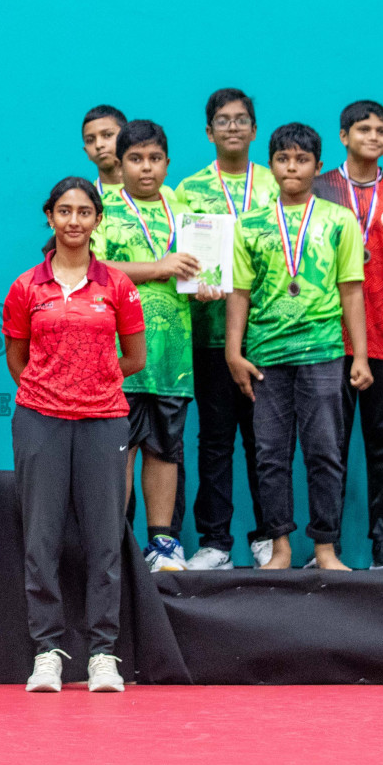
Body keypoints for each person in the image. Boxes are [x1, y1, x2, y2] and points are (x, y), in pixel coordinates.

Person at [4, 177, 146, 693]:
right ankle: (48, 652)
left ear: (97, 220)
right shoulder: (25, 287)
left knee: (104, 539)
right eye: (64, 211)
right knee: (41, 540)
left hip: (104, 419)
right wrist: (53, 389)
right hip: (39, 419)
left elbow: (135, 357)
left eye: (84, 212)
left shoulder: (118, 286)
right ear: (49, 216)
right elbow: (18, 360)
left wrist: (90, 382)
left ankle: (103, 653)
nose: (73, 221)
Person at [227, 123, 368, 571]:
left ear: (318, 166)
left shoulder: (339, 219)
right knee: (270, 456)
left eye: (302, 159)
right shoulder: (249, 225)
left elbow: (351, 290)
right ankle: (281, 549)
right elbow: (240, 293)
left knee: (325, 453)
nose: (292, 167)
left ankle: (326, 549)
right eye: (283, 159)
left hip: (323, 353)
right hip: (266, 356)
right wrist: (234, 352)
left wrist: (360, 355)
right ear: (271, 166)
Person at [91, 120, 220, 573]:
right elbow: (94, 267)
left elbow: (203, 268)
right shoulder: (101, 208)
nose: (146, 168)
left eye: (154, 158)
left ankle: (163, 543)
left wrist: (208, 285)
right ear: (119, 163)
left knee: (166, 448)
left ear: (167, 162)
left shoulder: (184, 210)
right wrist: (159, 266)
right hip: (118, 356)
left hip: (172, 356)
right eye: (136, 159)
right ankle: (116, 540)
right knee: (119, 449)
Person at [312, 101, 383, 569]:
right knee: (328, 448)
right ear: (343, 135)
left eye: (382, 130)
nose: (373, 137)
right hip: (327, 339)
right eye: (363, 129)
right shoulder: (319, 189)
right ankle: (327, 546)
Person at [175, 88, 280, 570]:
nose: (233, 127)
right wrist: (190, 283)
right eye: (223, 120)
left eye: (242, 120)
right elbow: (181, 258)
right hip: (208, 332)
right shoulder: (189, 190)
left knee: (266, 442)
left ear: (255, 129)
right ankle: (215, 541)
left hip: (268, 336)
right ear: (208, 131)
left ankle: (268, 537)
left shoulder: (276, 183)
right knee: (214, 439)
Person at [82, 104, 128, 197]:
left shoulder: (160, 194)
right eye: (90, 140)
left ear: (126, 138)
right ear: (86, 152)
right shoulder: (86, 199)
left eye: (107, 135)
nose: (98, 145)